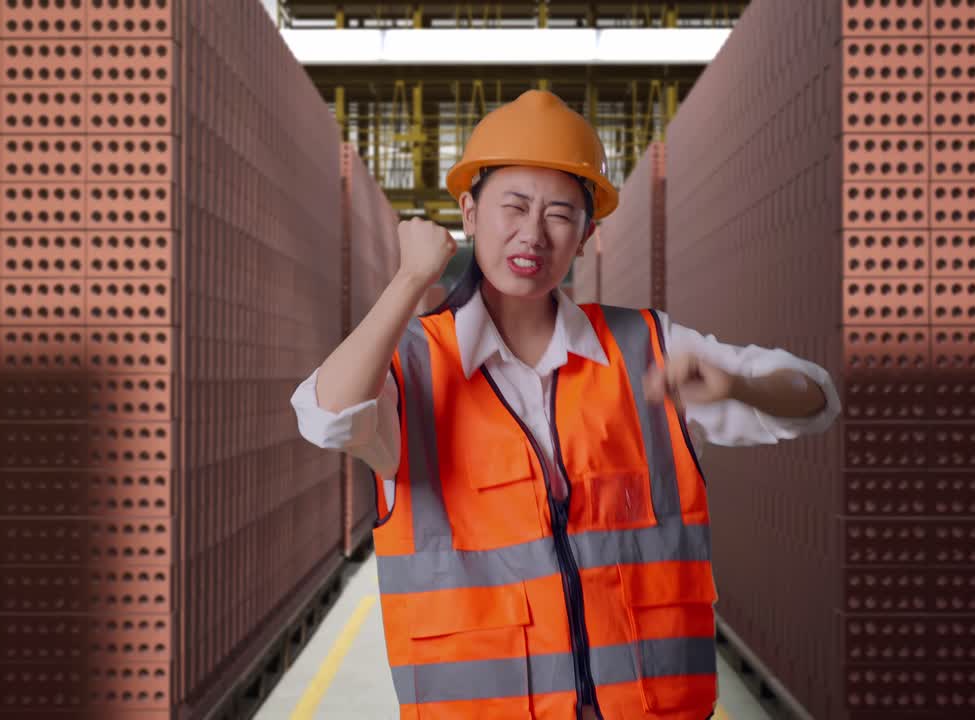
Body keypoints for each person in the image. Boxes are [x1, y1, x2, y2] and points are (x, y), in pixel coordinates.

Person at [290, 89, 840, 720]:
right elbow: (324, 416)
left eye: (559, 215)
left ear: (586, 235)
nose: (533, 234)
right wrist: (409, 279)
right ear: (468, 212)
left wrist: (738, 385)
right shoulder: (412, 366)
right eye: (513, 207)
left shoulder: (646, 346)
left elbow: (814, 396)